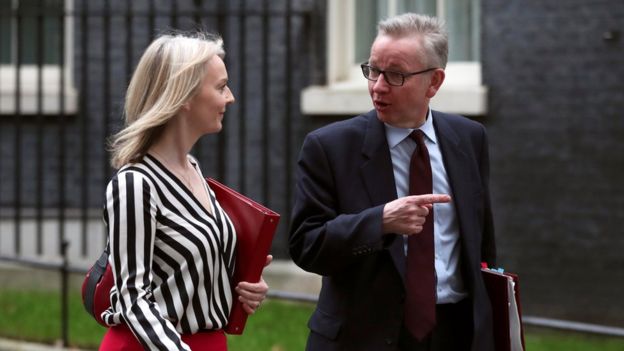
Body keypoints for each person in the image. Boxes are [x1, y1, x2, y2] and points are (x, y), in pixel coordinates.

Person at [289, 13, 496, 351]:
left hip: (455, 332)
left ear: (434, 82)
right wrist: (380, 221)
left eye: (395, 75)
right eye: (373, 70)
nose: (378, 86)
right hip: (364, 336)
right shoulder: (329, 146)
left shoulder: (469, 138)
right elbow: (306, 246)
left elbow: (482, 243)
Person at [99, 32, 271, 351]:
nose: (230, 97)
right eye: (220, 87)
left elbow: (186, 269)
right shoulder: (135, 184)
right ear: (185, 96)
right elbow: (132, 298)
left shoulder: (193, 170)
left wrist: (242, 286)